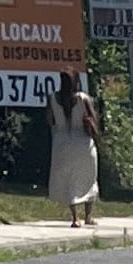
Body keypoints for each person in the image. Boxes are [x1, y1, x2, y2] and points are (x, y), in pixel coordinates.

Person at [46, 67, 102, 232]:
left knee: (69, 180)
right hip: (83, 143)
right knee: (89, 178)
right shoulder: (82, 99)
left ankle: (75, 217)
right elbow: (93, 118)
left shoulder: (52, 99)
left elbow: (50, 120)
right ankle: (88, 216)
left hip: (61, 142)